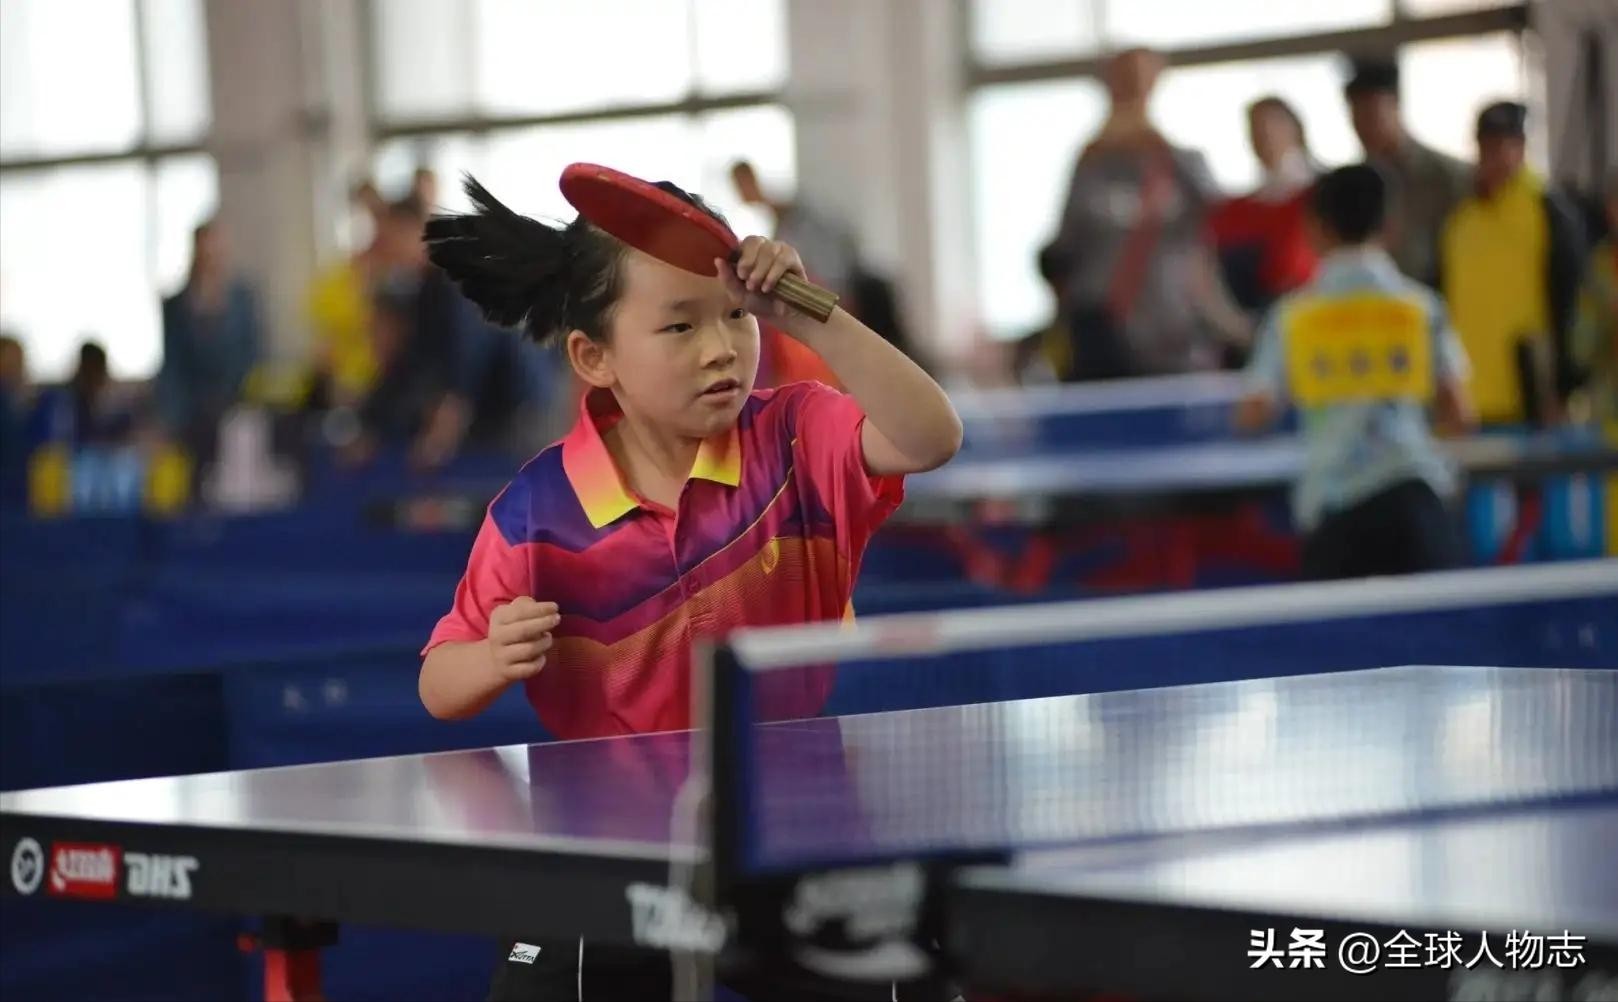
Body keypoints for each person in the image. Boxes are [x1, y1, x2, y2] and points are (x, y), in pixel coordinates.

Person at [417, 175, 961, 1000]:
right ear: (594, 358)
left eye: (736, 316)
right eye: (679, 325)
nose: (721, 349)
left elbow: (930, 435)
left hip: (791, 829)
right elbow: (439, 682)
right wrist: (492, 657)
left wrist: (809, 312)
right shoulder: (538, 512)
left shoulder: (797, 439)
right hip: (608, 851)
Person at [1236, 164, 1476, 580]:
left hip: (1336, 514)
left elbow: (1252, 414)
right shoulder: (1419, 308)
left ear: (1317, 228)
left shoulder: (1294, 317)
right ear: (1389, 225)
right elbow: (1460, 416)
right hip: (1416, 503)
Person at [1045, 47, 1247, 380]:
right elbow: (1063, 246)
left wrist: (1160, 146)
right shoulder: (1089, 165)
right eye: (1123, 78)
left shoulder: (1183, 162)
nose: (1132, 89)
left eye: (1141, 79)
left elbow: (1221, 219)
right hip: (1103, 334)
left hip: (1174, 334)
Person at [1440, 101, 1588, 427]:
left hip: (1535, 400)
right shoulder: (1461, 221)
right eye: (1487, 146)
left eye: (1504, 145)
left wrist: (1565, 387)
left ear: (1521, 148)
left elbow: (1571, 303)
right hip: (1471, 402)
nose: (1495, 156)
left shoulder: (1549, 211)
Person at [1342, 55, 1470, 290]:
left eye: (1371, 115)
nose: (1364, 128)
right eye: (1356, 118)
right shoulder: (1355, 184)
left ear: (1395, 105)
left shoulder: (1449, 176)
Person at [156, 219, 262, 475]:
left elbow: (253, 355)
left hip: (236, 408)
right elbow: (172, 366)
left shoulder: (243, 300)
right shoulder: (176, 305)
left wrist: (241, 401)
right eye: (206, 249)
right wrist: (172, 417)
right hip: (191, 415)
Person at [1210, 96, 1321, 321]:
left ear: (1295, 129)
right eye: (1256, 129)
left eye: (1273, 125)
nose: (1265, 136)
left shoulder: (1320, 197)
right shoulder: (1235, 210)